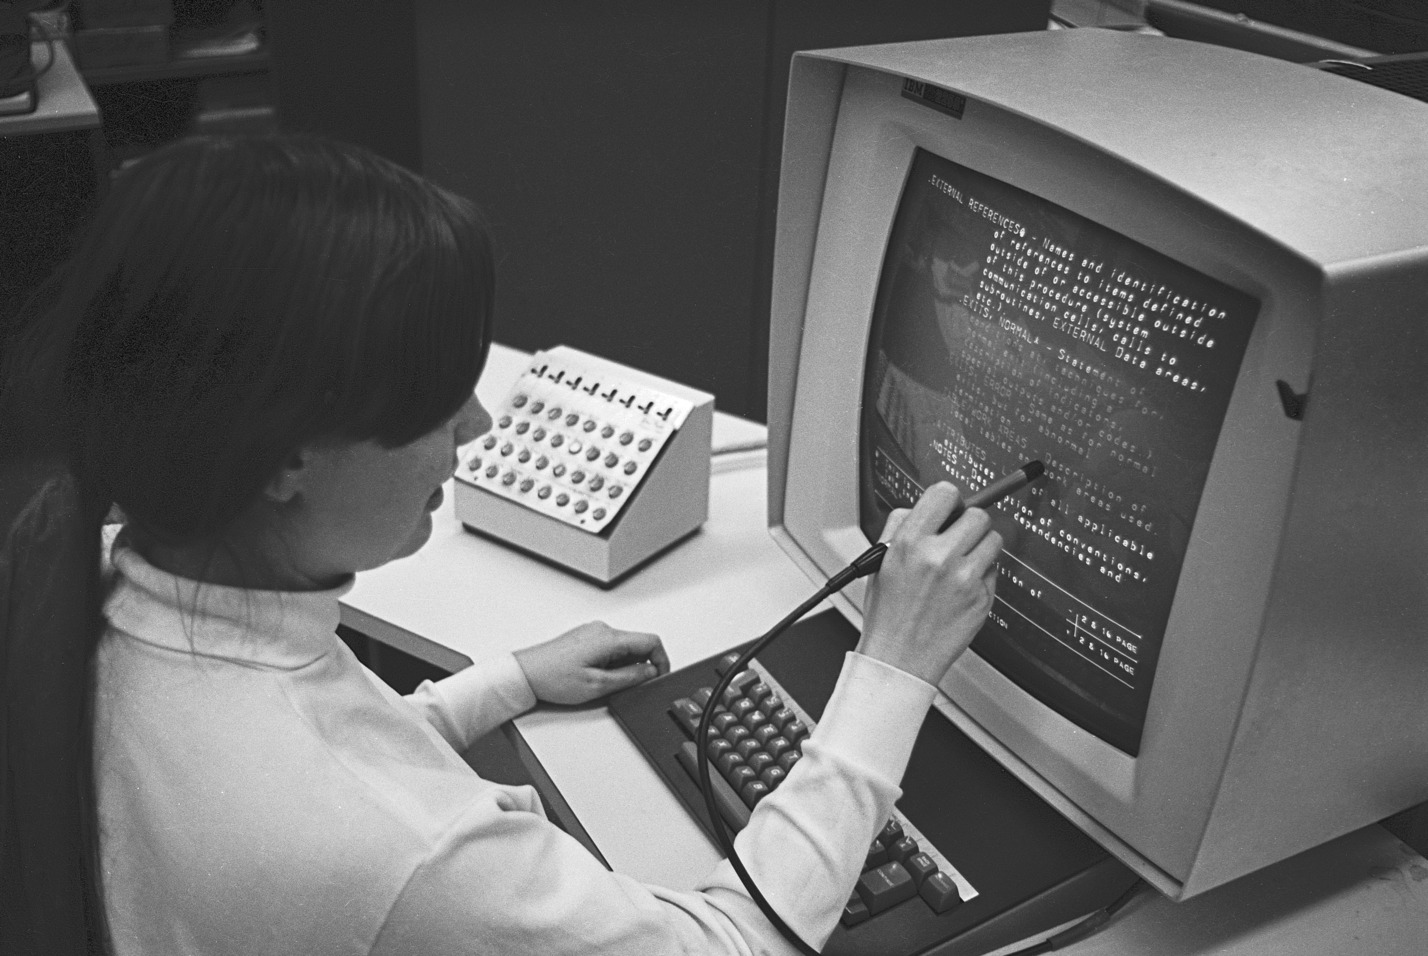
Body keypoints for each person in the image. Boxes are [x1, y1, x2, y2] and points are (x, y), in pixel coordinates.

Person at [0, 134, 1002, 956]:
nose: (478, 428)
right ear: (286, 456)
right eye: (439, 402)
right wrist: (893, 664)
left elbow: (331, 755)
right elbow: (731, 944)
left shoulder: (99, 569)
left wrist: (502, 681)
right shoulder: (383, 842)